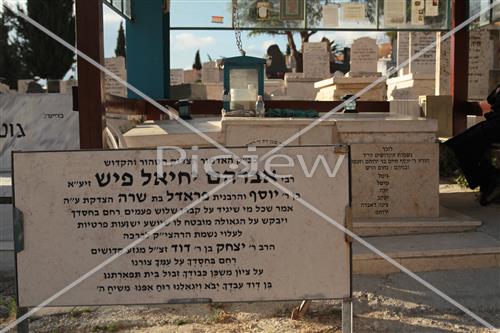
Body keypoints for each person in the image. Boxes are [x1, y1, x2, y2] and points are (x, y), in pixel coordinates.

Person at [445, 84, 500, 205]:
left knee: (462, 145)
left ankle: (489, 179)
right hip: (493, 123)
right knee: (457, 144)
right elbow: (491, 99)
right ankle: (489, 178)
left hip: (496, 126)